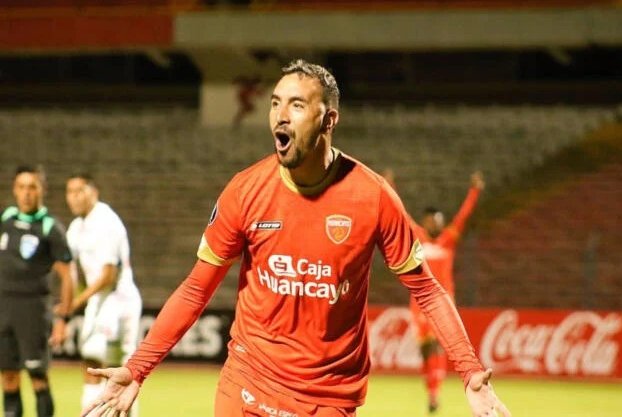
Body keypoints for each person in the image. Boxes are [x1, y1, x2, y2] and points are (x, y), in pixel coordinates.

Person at [80, 59, 510, 417]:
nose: (281, 115)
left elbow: (428, 291)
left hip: (327, 397)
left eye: (297, 105)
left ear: (329, 119)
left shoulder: (373, 197)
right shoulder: (245, 190)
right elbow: (196, 289)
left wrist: (471, 373)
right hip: (247, 382)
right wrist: (138, 368)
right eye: (275, 103)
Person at [65, 173, 142, 416]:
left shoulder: (106, 221)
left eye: (80, 190)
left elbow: (108, 275)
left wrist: (76, 301)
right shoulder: (76, 227)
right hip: (98, 301)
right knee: (91, 362)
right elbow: (73, 270)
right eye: (70, 192)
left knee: (118, 370)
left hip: (119, 301)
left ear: (93, 192)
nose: (74, 197)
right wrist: (71, 299)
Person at [0, 165, 74, 417]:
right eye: (21, 187)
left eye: (32, 187)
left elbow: (67, 277)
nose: (26, 193)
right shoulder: (6, 219)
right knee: (8, 378)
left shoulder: (50, 227)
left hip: (33, 311)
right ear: (14, 190)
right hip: (4, 309)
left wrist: (63, 319)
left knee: (37, 377)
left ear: (42, 190)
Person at [409, 171, 485, 413]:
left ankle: (434, 395)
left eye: (439, 221)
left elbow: (463, 217)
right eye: (432, 220)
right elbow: (400, 215)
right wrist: (387, 185)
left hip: (442, 303)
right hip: (418, 302)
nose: (436, 224)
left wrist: (474, 191)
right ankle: (430, 390)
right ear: (425, 221)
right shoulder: (417, 236)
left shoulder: (448, 240)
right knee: (424, 351)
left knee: (436, 346)